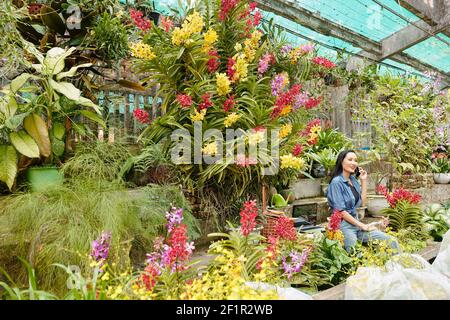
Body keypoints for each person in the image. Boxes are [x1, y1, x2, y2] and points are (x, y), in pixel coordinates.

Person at [326, 150, 400, 253]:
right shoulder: (336, 182)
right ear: (341, 161)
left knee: (392, 241)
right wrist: (362, 225)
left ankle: (397, 268)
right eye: (350, 159)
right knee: (354, 252)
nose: (353, 163)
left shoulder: (353, 180)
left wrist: (363, 180)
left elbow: (362, 203)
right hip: (344, 226)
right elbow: (341, 211)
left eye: (355, 160)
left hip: (356, 223)